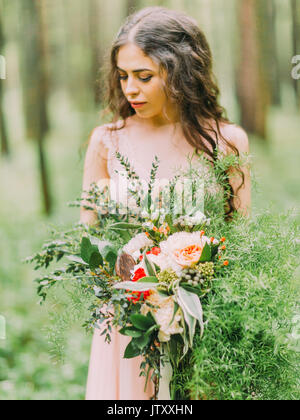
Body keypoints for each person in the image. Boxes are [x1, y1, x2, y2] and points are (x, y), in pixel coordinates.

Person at [80, 6, 251, 400]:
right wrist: (131, 285)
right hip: (125, 326)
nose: (130, 89)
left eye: (144, 76)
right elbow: (88, 240)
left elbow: (242, 240)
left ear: (182, 72)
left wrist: (187, 288)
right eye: (123, 76)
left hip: (203, 324)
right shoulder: (106, 140)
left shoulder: (225, 142)